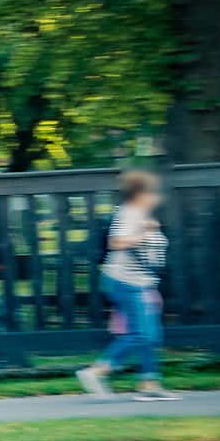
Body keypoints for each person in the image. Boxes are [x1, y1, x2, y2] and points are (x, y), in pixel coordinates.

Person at [78, 171, 175, 401]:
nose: (157, 197)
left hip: (141, 283)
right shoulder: (129, 213)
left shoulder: (139, 213)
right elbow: (116, 242)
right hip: (127, 282)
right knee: (140, 334)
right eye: (153, 192)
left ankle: (149, 383)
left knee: (150, 334)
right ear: (141, 194)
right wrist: (144, 232)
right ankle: (98, 372)